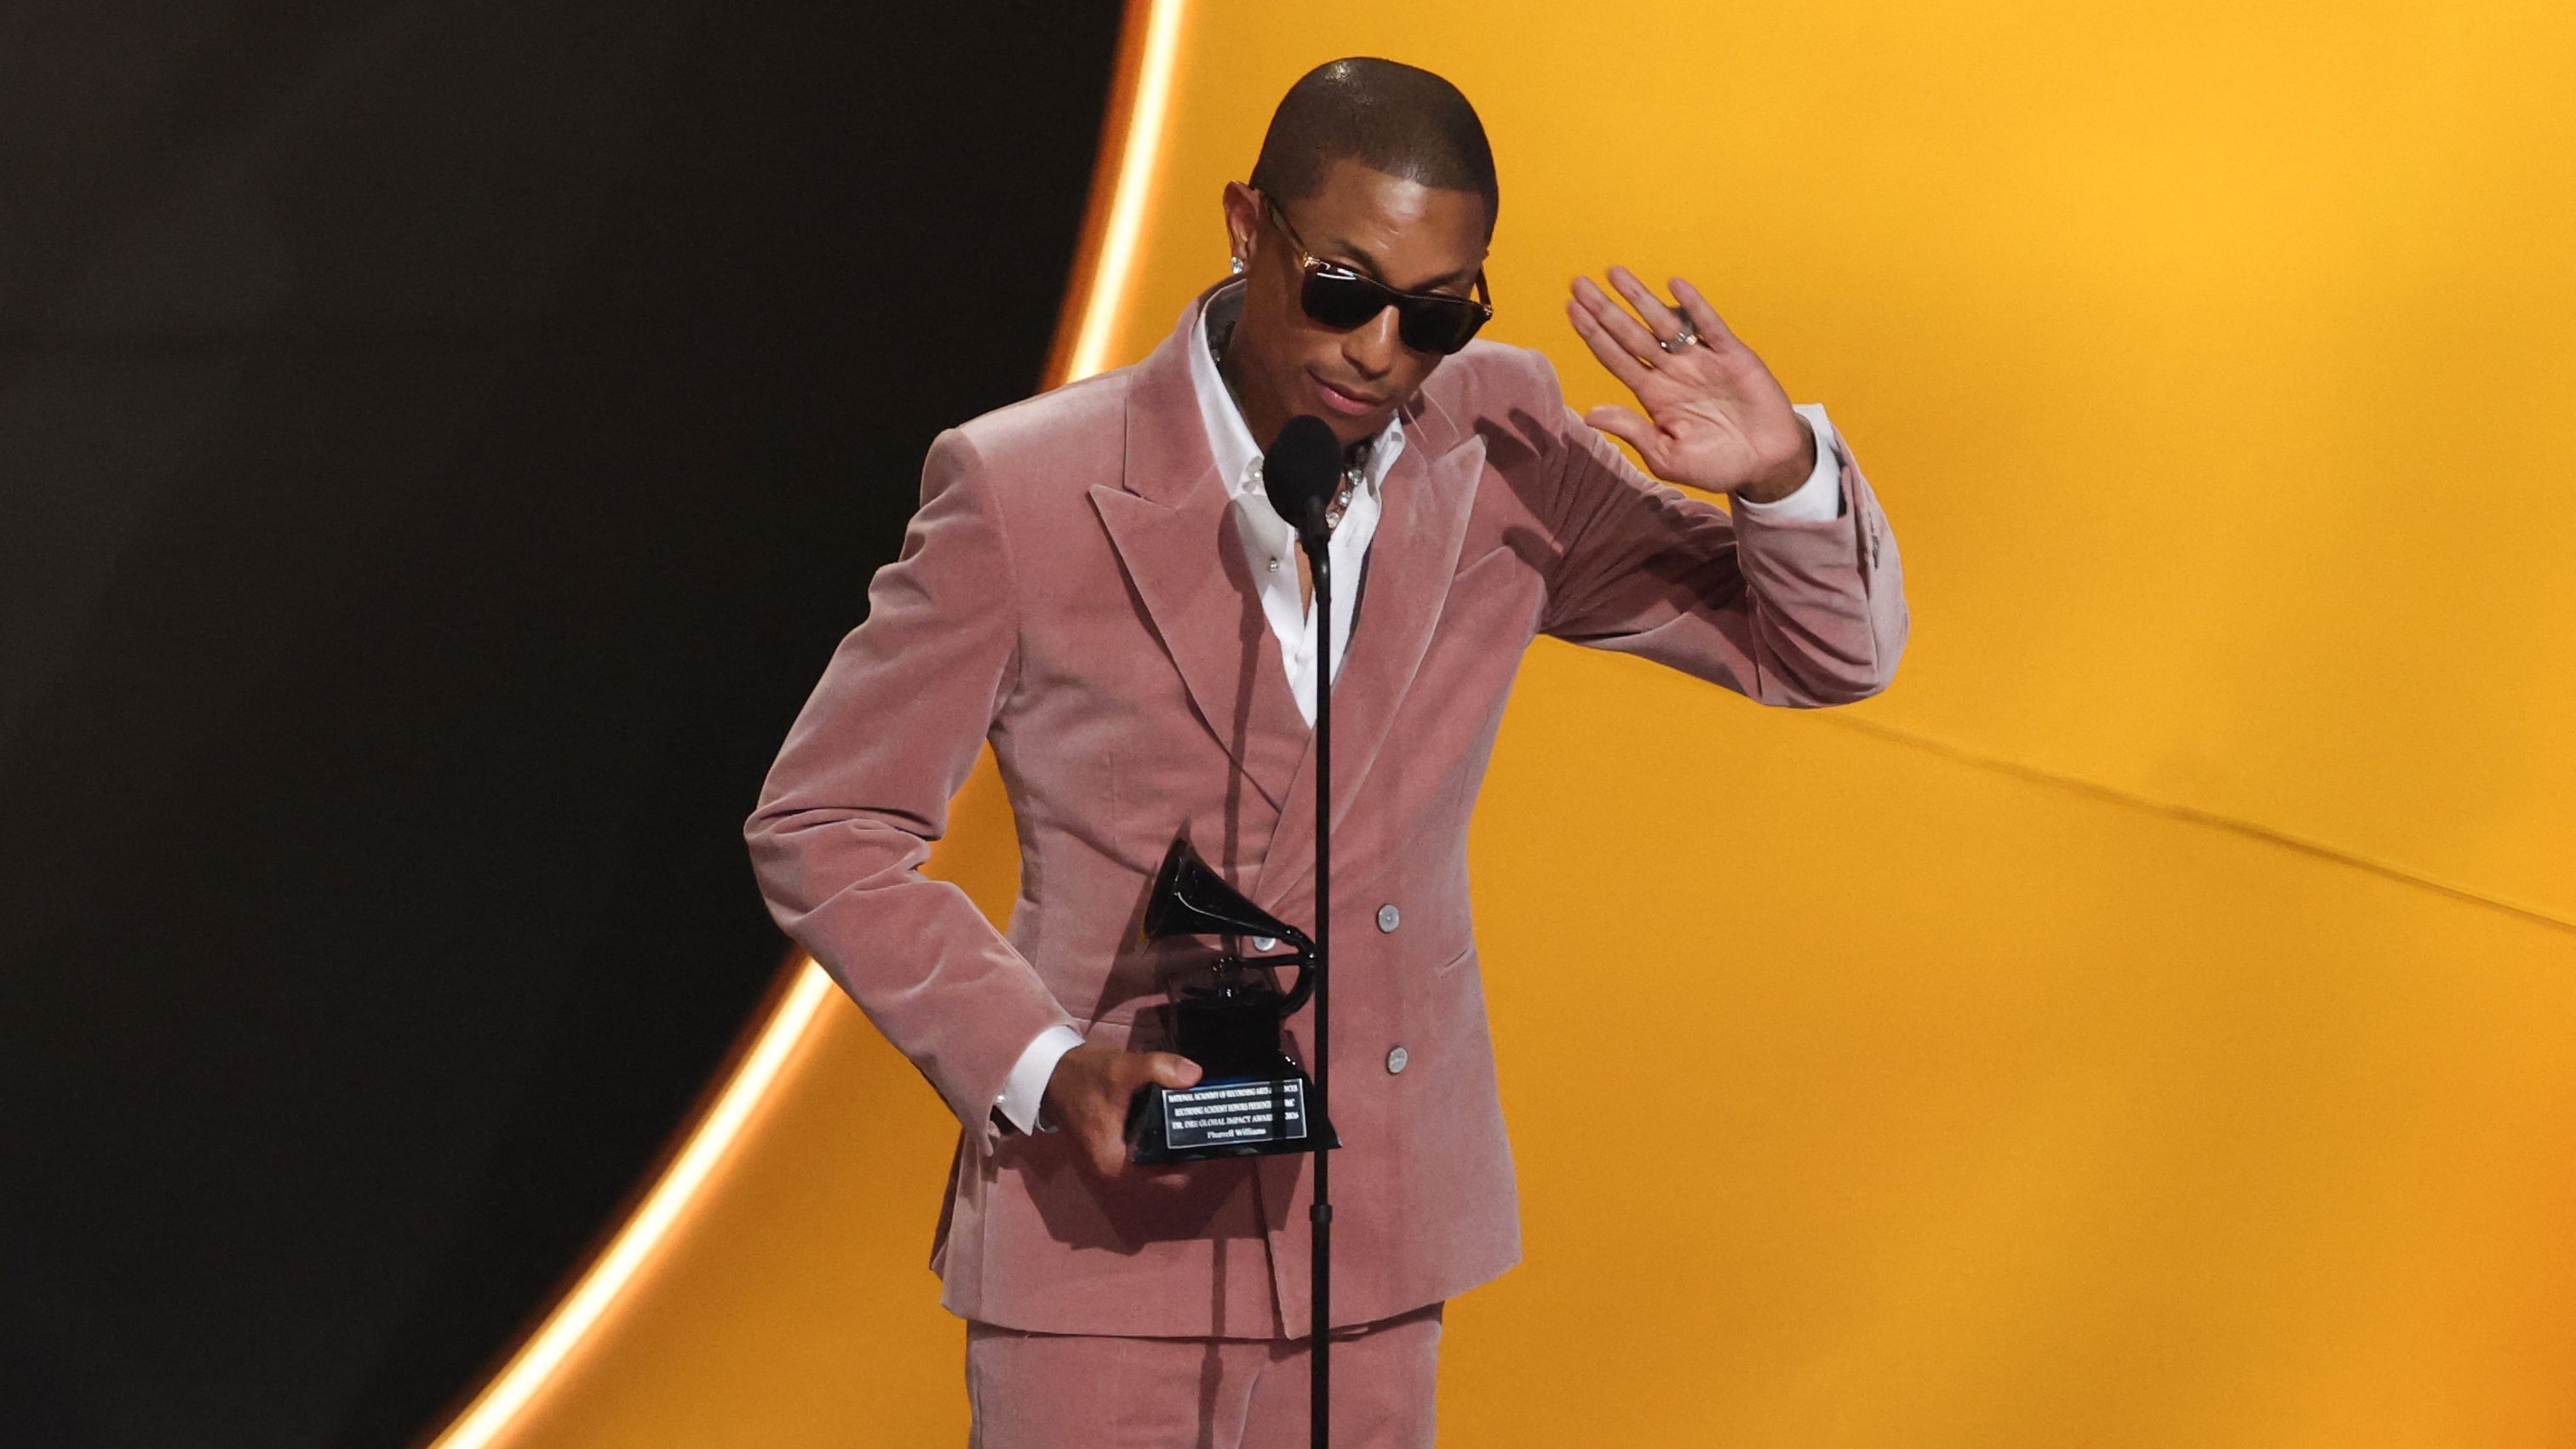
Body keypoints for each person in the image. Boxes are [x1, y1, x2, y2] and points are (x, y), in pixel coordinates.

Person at [744, 56, 1907, 1449]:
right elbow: (824, 824)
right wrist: (1045, 1062)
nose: (1378, 351)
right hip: (1102, 1244)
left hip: (1373, 1245)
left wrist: (1781, 479)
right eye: (1344, 289)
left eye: (1435, 313)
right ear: (1250, 226)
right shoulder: (1025, 486)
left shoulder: (1501, 444)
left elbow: (1820, 656)